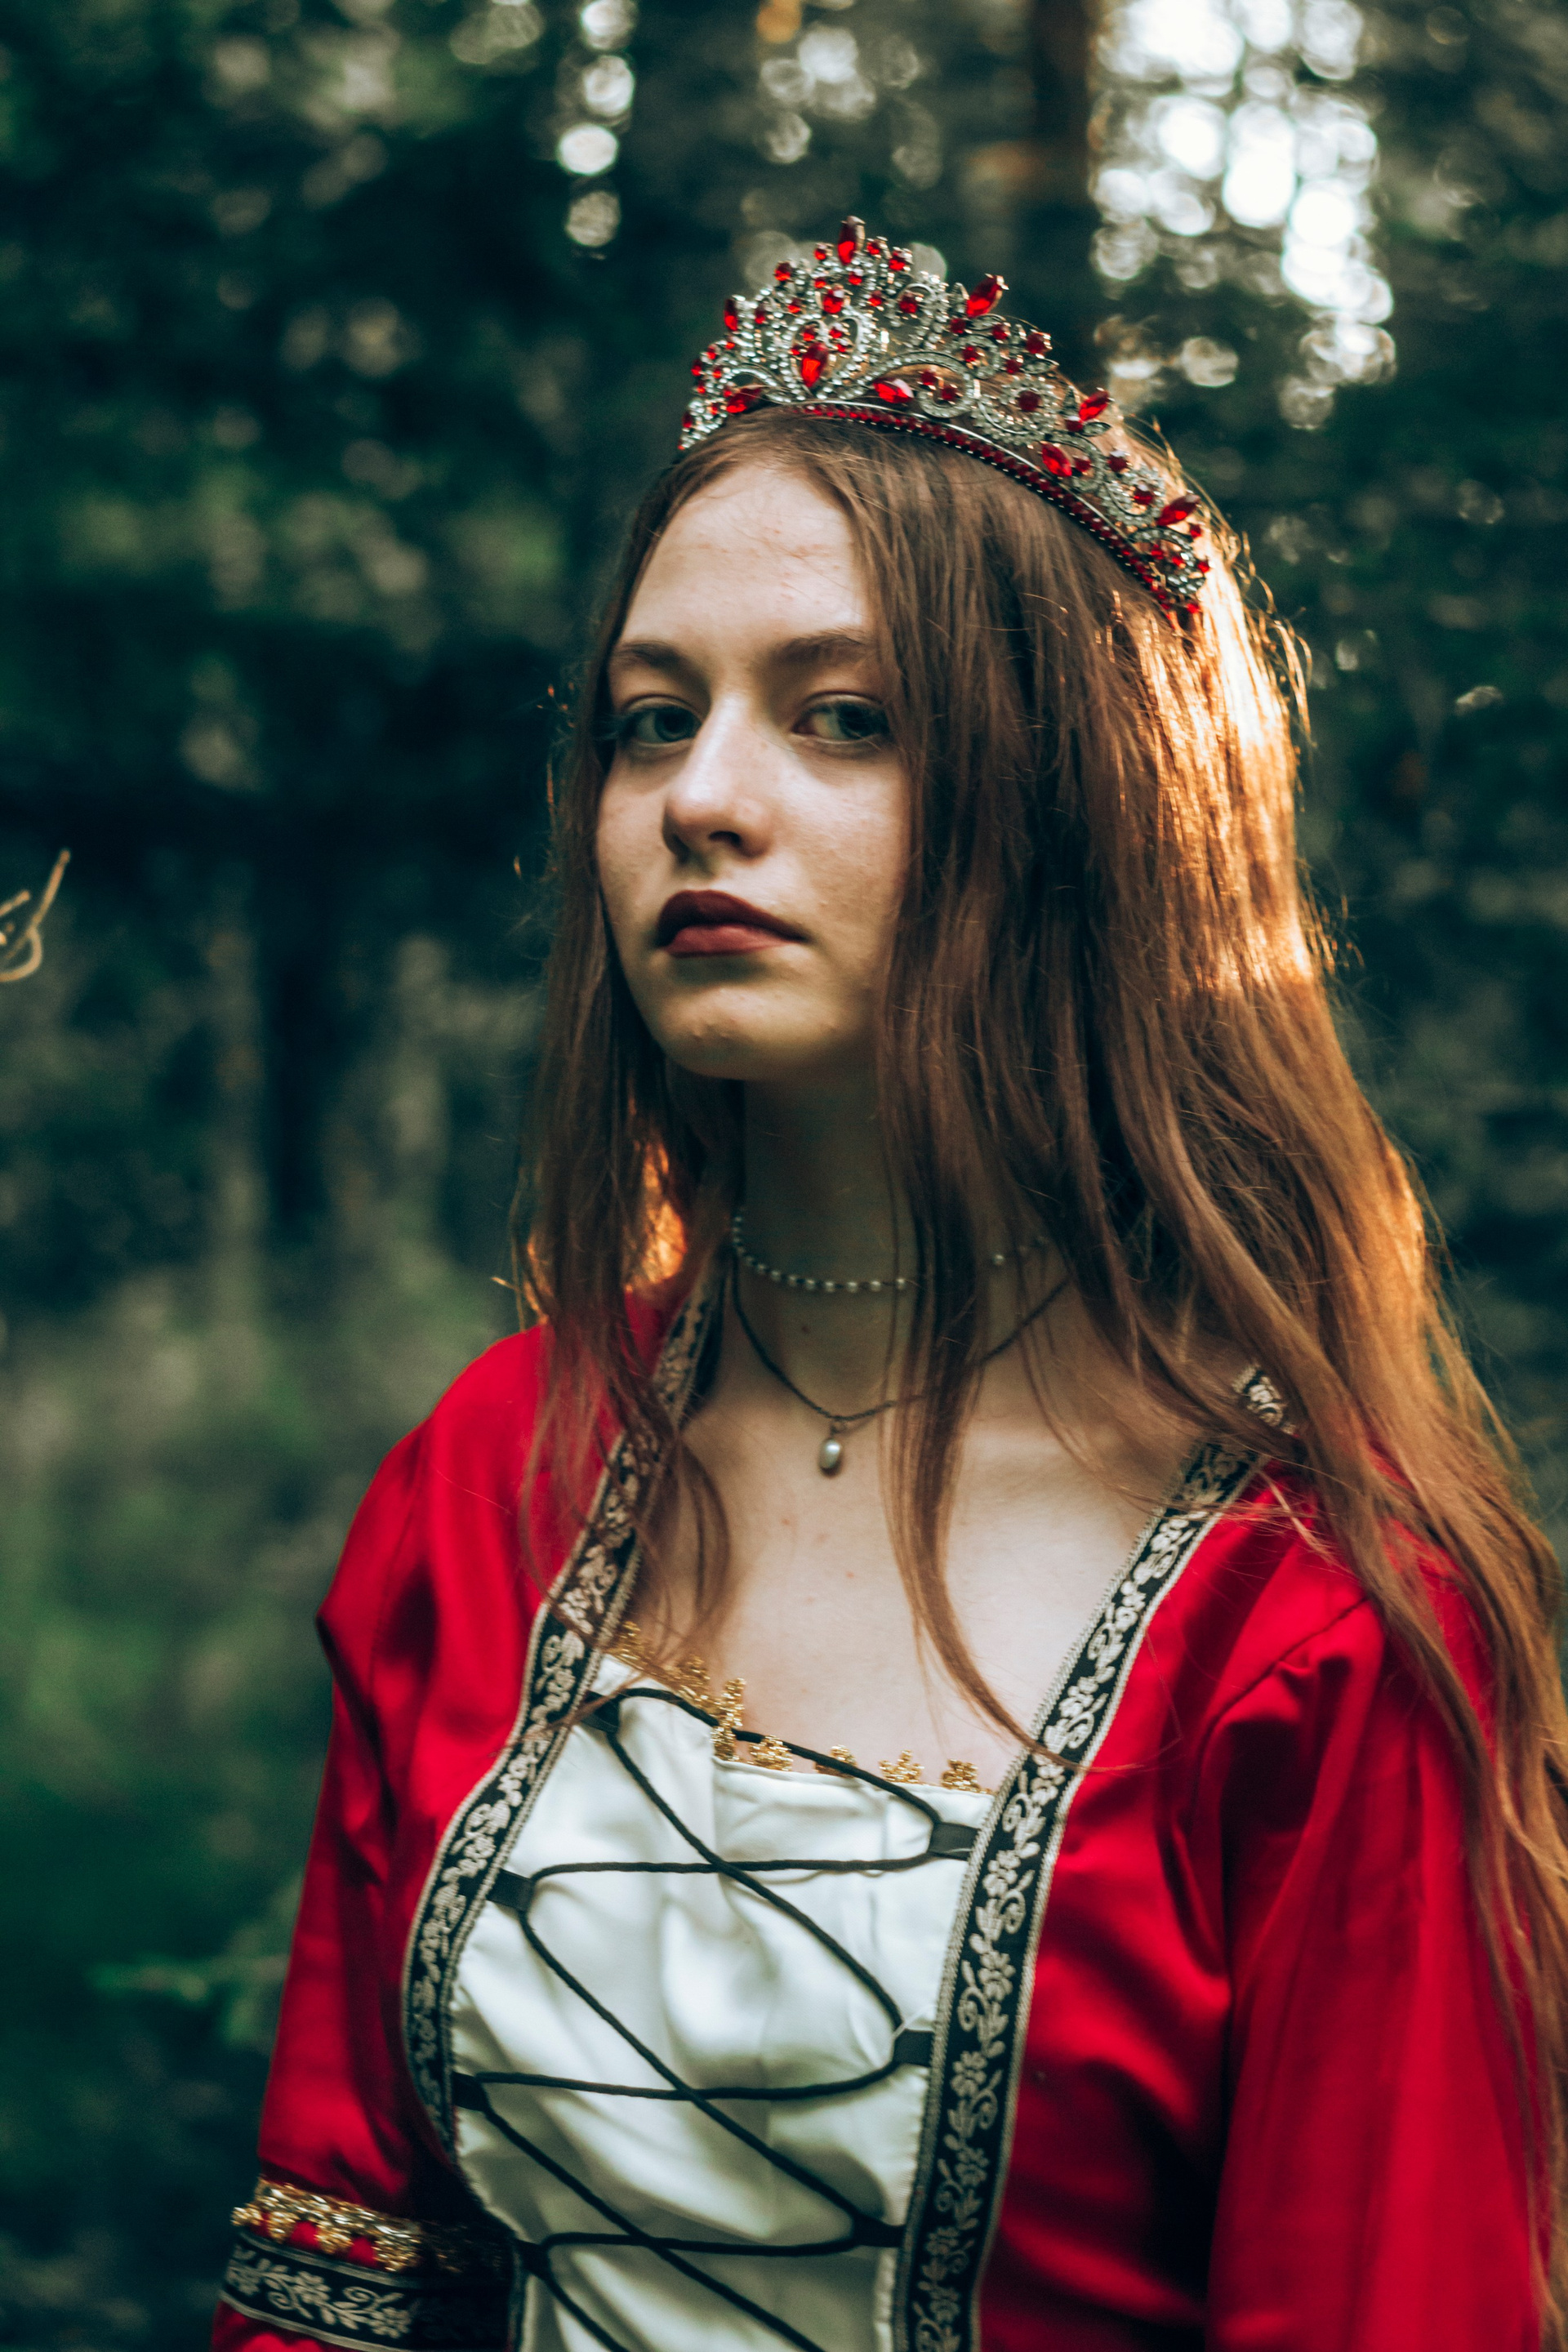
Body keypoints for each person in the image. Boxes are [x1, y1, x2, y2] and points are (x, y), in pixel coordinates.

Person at [212, 221, 1568, 2352]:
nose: (702, 800)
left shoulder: (1313, 1622)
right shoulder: (502, 1469)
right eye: (651, 722)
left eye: (842, 718)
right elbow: (334, 2267)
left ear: (1083, 812)